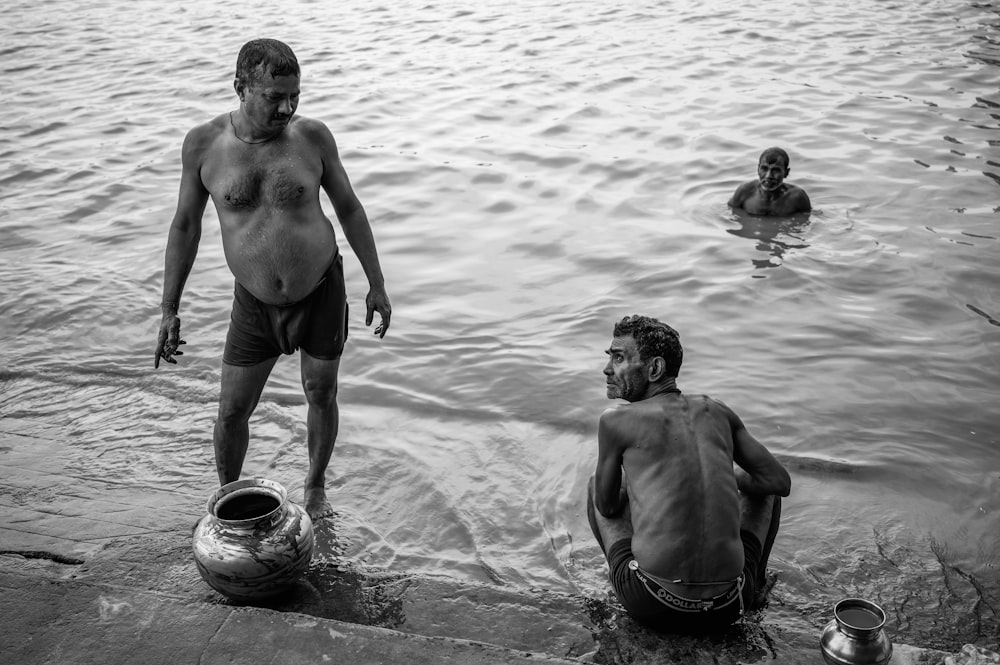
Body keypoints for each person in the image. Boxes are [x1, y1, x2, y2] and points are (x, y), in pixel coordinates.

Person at [154, 39, 391, 520]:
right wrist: (168, 308)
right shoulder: (203, 145)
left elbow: (348, 207)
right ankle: (230, 499)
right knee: (231, 410)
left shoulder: (313, 138)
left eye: (295, 96)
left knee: (321, 392)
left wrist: (377, 283)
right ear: (241, 87)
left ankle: (316, 487)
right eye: (274, 97)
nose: (287, 108)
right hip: (254, 302)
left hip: (321, 287)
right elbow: (185, 226)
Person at [587, 315, 790, 632]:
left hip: (653, 603)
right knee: (763, 491)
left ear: (654, 369)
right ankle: (758, 587)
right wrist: (727, 477)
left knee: (596, 486)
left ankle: (621, 581)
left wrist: (636, 493)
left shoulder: (615, 421)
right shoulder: (715, 410)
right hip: (729, 604)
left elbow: (607, 506)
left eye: (619, 357)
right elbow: (778, 481)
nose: (607, 369)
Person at [728, 147, 811, 216]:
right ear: (758, 169)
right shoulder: (744, 191)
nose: (768, 176)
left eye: (775, 170)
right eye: (764, 169)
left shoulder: (797, 197)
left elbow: (807, 220)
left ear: (786, 173)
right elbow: (730, 215)